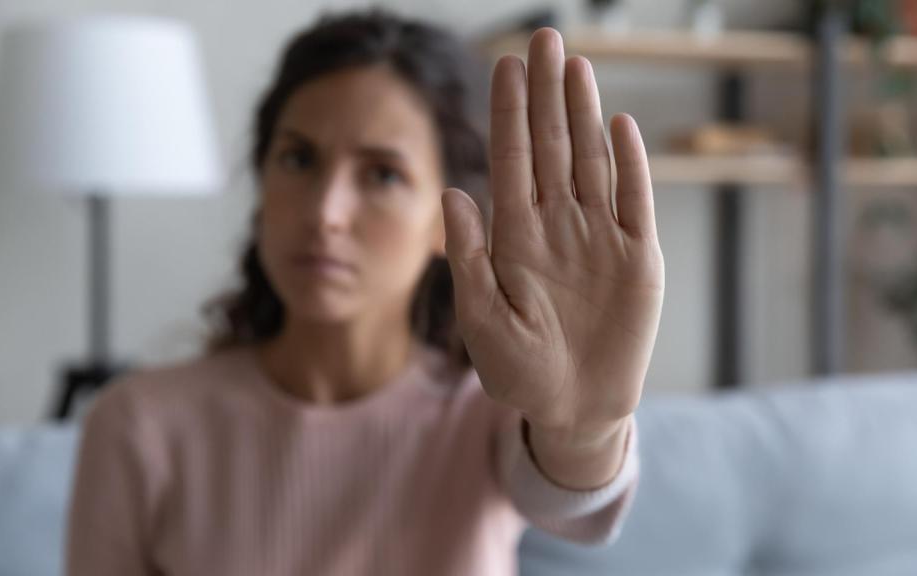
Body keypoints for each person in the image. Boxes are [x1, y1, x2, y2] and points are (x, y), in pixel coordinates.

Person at [67, 9, 664, 575]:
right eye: (298, 159)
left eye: (382, 174)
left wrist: (584, 424)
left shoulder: (486, 408)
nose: (326, 212)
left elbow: (574, 507)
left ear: (446, 221)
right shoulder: (140, 424)